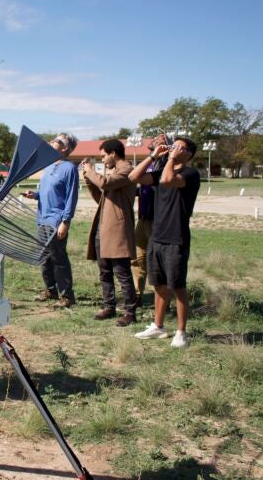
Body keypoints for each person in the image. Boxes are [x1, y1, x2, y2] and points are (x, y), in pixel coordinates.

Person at [129, 136, 200, 348]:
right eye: (174, 145)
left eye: (180, 147)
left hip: (175, 238)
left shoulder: (190, 173)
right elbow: (134, 176)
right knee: (158, 284)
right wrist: (153, 156)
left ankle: (181, 332)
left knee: (177, 286)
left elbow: (168, 180)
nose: (175, 148)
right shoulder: (162, 169)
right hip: (157, 237)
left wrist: (171, 158)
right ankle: (158, 326)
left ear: (188, 154)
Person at [80, 139, 138, 326]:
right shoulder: (114, 173)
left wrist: (90, 171)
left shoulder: (127, 170)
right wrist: (89, 180)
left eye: (104, 156)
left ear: (113, 153)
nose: (103, 160)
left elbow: (104, 183)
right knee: (104, 271)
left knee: (122, 272)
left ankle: (130, 311)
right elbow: (102, 199)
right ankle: (109, 306)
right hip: (103, 228)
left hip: (118, 230)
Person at [23, 132, 80, 308]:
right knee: (44, 257)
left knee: (58, 258)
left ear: (65, 148)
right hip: (42, 219)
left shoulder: (69, 168)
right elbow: (49, 191)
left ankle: (67, 296)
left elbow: (71, 197)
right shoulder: (48, 166)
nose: (51, 142)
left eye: (56, 141)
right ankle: (51, 289)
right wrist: (35, 195)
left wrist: (66, 221)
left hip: (56, 220)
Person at [130, 139, 164, 310]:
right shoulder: (150, 164)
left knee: (159, 262)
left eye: (160, 139)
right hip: (142, 220)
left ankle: (165, 301)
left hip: (157, 222)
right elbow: (138, 183)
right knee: (137, 260)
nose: (155, 140)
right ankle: (137, 297)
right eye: (155, 138)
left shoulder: (164, 166)